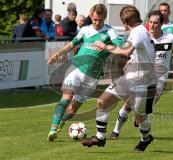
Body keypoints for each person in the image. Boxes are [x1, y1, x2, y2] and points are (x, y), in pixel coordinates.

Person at [109, 10, 173, 141]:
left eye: (155, 23)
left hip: (158, 80)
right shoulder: (143, 35)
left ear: (161, 24)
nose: (152, 25)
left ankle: (141, 124)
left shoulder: (170, 38)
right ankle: (116, 131)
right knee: (129, 104)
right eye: (150, 22)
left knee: (145, 109)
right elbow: (132, 51)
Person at [81, 5, 157, 151]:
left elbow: (126, 51)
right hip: (129, 78)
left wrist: (105, 46)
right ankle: (100, 137)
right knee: (103, 101)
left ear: (126, 21)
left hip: (145, 82)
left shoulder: (138, 31)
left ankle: (146, 139)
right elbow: (137, 52)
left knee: (141, 117)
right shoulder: (140, 31)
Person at [47, 4, 125, 142]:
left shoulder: (110, 32)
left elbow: (121, 45)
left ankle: (62, 123)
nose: (97, 22)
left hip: (92, 77)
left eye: (100, 20)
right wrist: (57, 54)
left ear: (104, 18)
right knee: (66, 97)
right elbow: (72, 45)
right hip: (76, 68)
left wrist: (107, 46)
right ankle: (52, 129)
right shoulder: (85, 30)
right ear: (91, 16)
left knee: (71, 111)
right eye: (94, 19)